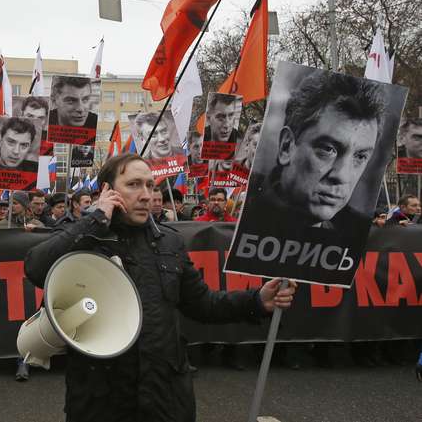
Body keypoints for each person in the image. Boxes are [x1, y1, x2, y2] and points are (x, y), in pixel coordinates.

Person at [24, 153, 297, 422]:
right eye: (133, 185)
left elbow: (204, 304)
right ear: (107, 190)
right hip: (100, 402)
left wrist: (257, 301)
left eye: (150, 185)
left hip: (165, 399)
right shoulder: (86, 237)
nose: (146, 195)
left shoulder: (169, 243)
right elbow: (36, 268)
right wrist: (96, 218)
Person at [242, 72, 385, 236]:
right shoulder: (243, 214)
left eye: (360, 156)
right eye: (328, 149)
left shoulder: (357, 231)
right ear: (286, 146)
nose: (342, 176)